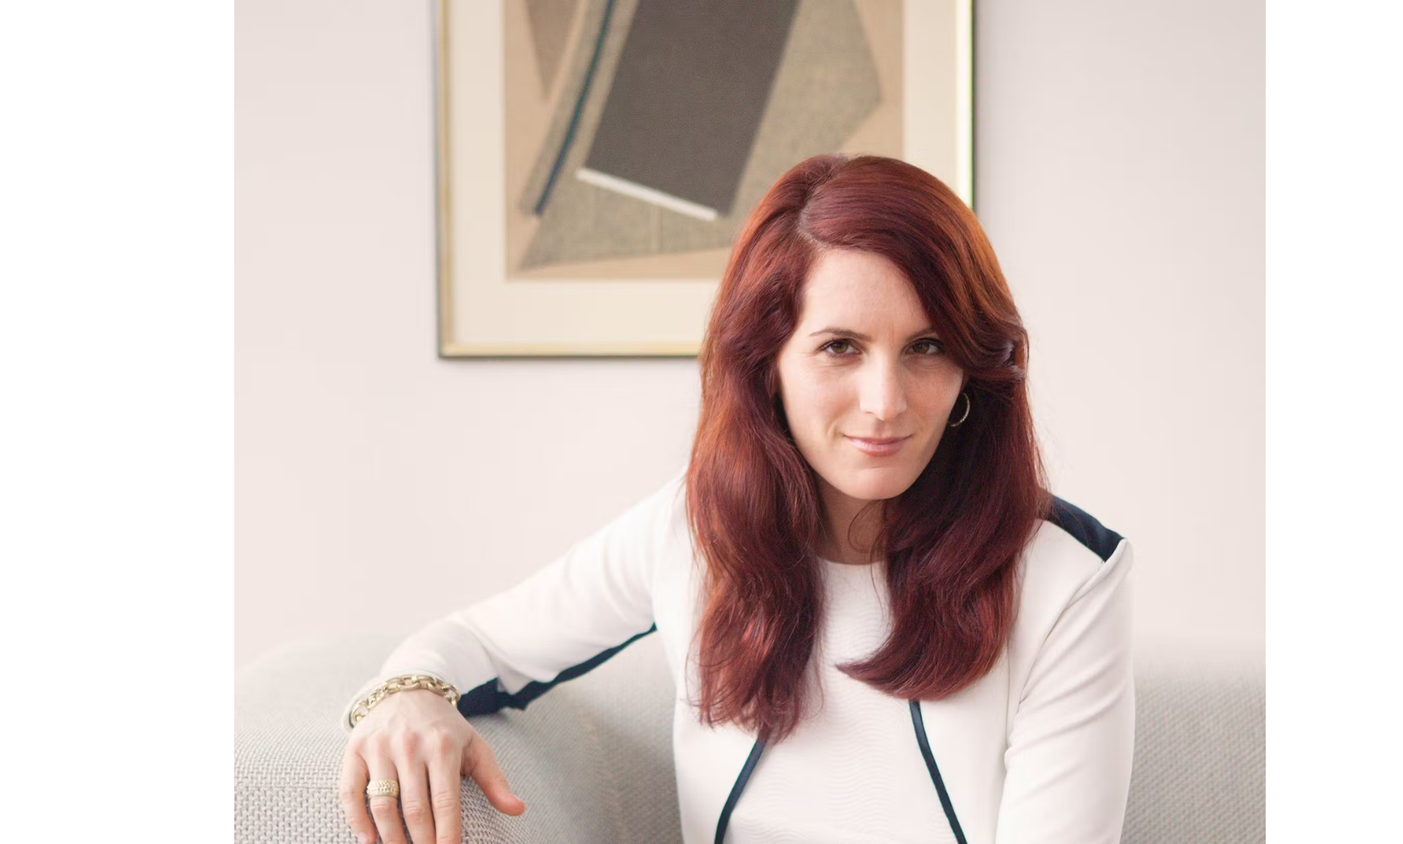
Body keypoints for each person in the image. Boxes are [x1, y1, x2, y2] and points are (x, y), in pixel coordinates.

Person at [338, 153, 1136, 844]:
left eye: (926, 347)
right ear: (767, 364)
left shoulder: (1068, 576)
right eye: (840, 347)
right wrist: (407, 697)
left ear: (971, 366)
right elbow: (483, 643)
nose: (886, 402)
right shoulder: (693, 529)